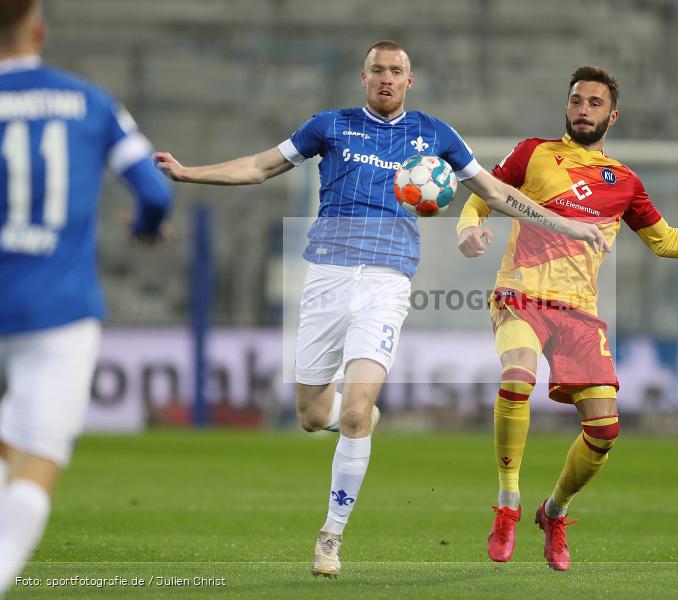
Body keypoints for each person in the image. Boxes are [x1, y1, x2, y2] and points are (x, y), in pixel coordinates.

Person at [154, 40, 604, 578]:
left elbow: (495, 191)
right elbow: (259, 166)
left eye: (396, 71)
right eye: (377, 70)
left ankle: (330, 537)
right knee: (313, 416)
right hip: (325, 277)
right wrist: (189, 172)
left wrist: (565, 222)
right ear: (362, 77)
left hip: (387, 282)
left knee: (352, 414)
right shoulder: (330, 126)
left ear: (409, 81)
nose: (386, 78)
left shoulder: (435, 135)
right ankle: (355, 416)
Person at [456, 65, 678, 571]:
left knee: (605, 431)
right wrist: (468, 227)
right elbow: (482, 194)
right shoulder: (533, 152)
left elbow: (665, 241)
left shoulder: (627, 182)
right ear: (567, 105)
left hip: (580, 311)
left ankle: (554, 512)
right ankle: (508, 503)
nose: (583, 109)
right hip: (521, 294)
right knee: (517, 377)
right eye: (576, 100)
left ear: (612, 115)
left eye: (595, 103)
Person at [0, 1, 173, 595]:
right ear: (39, 29)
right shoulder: (91, 103)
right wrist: (147, 227)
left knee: (9, 443)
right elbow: (153, 190)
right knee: (34, 464)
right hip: (58, 309)